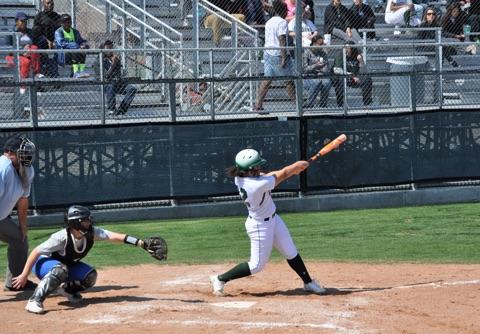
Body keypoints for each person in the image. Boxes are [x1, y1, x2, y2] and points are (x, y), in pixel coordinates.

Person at [210, 149, 325, 296]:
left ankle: (308, 282)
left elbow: (271, 175)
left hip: (274, 219)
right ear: (249, 171)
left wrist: (294, 169)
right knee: (256, 265)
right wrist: (295, 167)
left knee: (291, 252)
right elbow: (282, 174)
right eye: (256, 167)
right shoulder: (255, 185)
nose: (259, 169)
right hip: (259, 226)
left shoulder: (241, 177)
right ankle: (220, 279)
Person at [12, 205, 166, 314]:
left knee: (90, 276)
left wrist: (141, 243)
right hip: (43, 264)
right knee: (60, 270)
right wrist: (24, 275)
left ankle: (66, 291)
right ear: (75, 222)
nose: (89, 223)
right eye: (85, 220)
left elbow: (115, 236)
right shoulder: (61, 237)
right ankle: (34, 301)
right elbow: (36, 251)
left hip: (64, 265)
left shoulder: (91, 233)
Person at [0, 136, 36, 292]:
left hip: (1, 218)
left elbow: (23, 200)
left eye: (27, 153)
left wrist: (23, 227)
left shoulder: (27, 170)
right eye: (22, 153)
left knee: (20, 240)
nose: (26, 156)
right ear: (9, 153)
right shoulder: (3, 168)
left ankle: (14, 283)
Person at [254, 0, 295, 113]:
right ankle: (298, 105)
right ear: (281, 10)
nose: (287, 12)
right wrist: (283, 57)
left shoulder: (269, 21)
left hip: (268, 53)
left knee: (267, 80)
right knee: (289, 81)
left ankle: (258, 105)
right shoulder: (282, 22)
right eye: (286, 10)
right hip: (277, 54)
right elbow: (281, 39)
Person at [94, 40, 137, 116]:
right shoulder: (98, 61)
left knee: (132, 89)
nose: (111, 50)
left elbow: (118, 74)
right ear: (102, 50)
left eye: (112, 48)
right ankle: (112, 109)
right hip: (103, 84)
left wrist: (117, 64)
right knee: (110, 85)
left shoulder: (114, 59)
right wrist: (113, 65)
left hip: (116, 83)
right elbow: (105, 77)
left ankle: (121, 110)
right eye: (108, 49)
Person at [4, 12, 43, 94]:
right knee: (26, 62)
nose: (24, 23)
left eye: (25, 21)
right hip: (13, 56)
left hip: (28, 54)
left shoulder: (30, 32)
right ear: (16, 22)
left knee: (34, 48)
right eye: (22, 21)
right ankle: (22, 86)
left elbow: (36, 43)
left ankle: (36, 73)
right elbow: (7, 49)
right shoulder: (11, 33)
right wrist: (21, 52)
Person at [332, 41, 372, 107]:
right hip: (344, 77)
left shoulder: (357, 54)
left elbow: (364, 71)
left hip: (355, 78)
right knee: (340, 79)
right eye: (345, 48)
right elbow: (336, 70)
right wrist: (351, 76)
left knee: (367, 79)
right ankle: (340, 104)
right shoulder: (340, 54)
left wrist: (361, 61)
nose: (346, 50)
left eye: (348, 48)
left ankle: (367, 103)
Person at [303, 34, 332, 108]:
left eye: (322, 44)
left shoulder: (323, 53)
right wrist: (315, 66)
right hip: (308, 77)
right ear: (314, 43)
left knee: (327, 82)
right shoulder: (306, 53)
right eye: (320, 44)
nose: (322, 46)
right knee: (316, 82)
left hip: (320, 75)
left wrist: (321, 70)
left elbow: (326, 67)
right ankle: (309, 104)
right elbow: (304, 69)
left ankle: (323, 104)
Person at [33, 0, 61, 78]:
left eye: (52, 4)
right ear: (43, 4)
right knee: (42, 54)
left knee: (55, 55)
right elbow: (36, 32)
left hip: (55, 43)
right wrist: (47, 41)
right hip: (42, 42)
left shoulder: (57, 17)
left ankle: (55, 77)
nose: (50, 5)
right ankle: (42, 75)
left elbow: (60, 31)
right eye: (48, 3)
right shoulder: (39, 16)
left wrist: (54, 42)